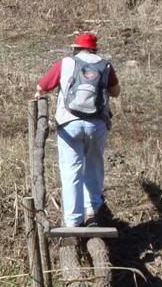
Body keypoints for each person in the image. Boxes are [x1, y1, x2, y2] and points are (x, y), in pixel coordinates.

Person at [35, 33, 121, 228]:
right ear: (94, 49)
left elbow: (41, 86)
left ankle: (73, 220)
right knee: (94, 165)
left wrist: (39, 94)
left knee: (70, 169)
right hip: (96, 124)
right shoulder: (105, 65)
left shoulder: (65, 63)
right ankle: (92, 212)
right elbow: (116, 92)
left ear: (76, 48)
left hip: (69, 124)